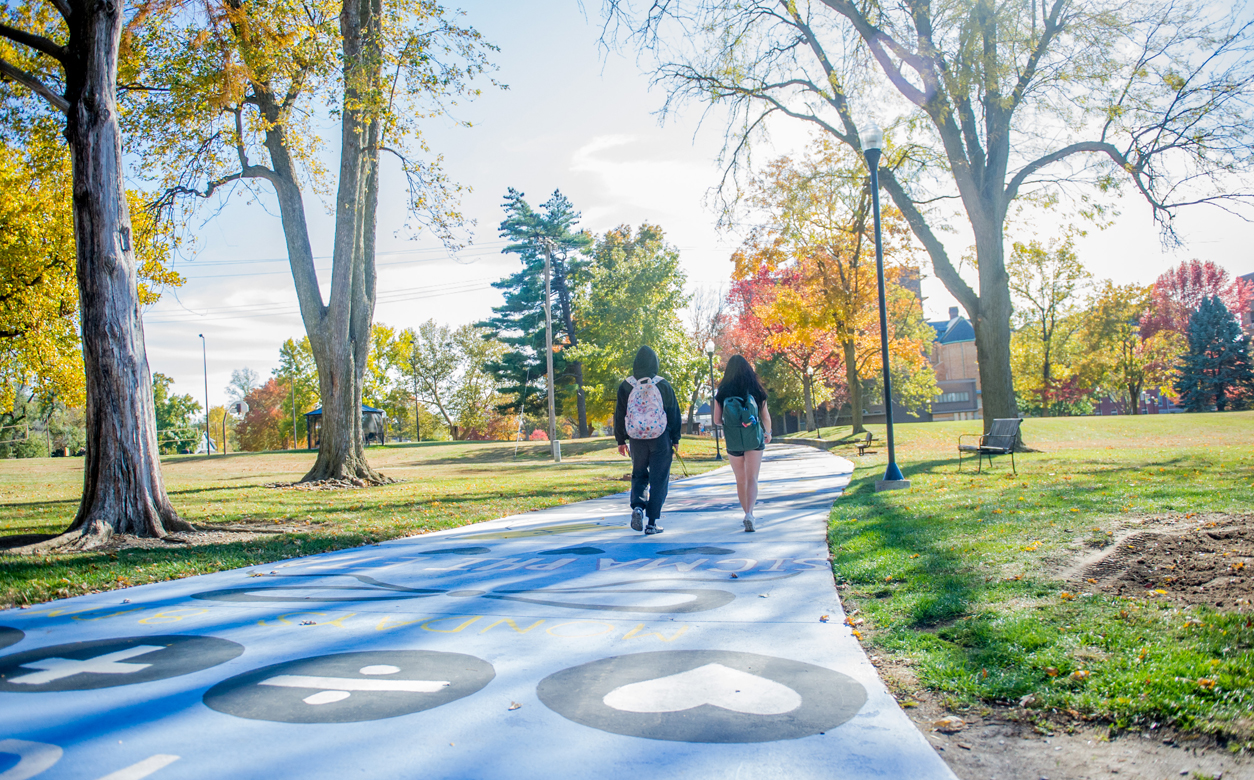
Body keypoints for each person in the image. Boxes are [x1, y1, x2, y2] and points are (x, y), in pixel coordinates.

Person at [614, 346, 682, 535]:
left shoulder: (626, 385)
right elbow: (673, 412)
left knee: (639, 474)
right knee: (659, 479)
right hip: (660, 438)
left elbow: (620, 414)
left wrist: (620, 440)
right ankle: (652, 523)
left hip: (636, 439)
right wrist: (675, 438)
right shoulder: (662, 384)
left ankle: (637, 507)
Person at [713, 354, 772, 532]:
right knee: (752, 478)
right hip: (753, 439)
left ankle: (745, 511)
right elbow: (765, 416)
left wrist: (733, 423)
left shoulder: (722, 392)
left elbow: (716, 420)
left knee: (740, 479)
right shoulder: (757, 390)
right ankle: (750, 514)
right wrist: (767, 433)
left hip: (733, 441)